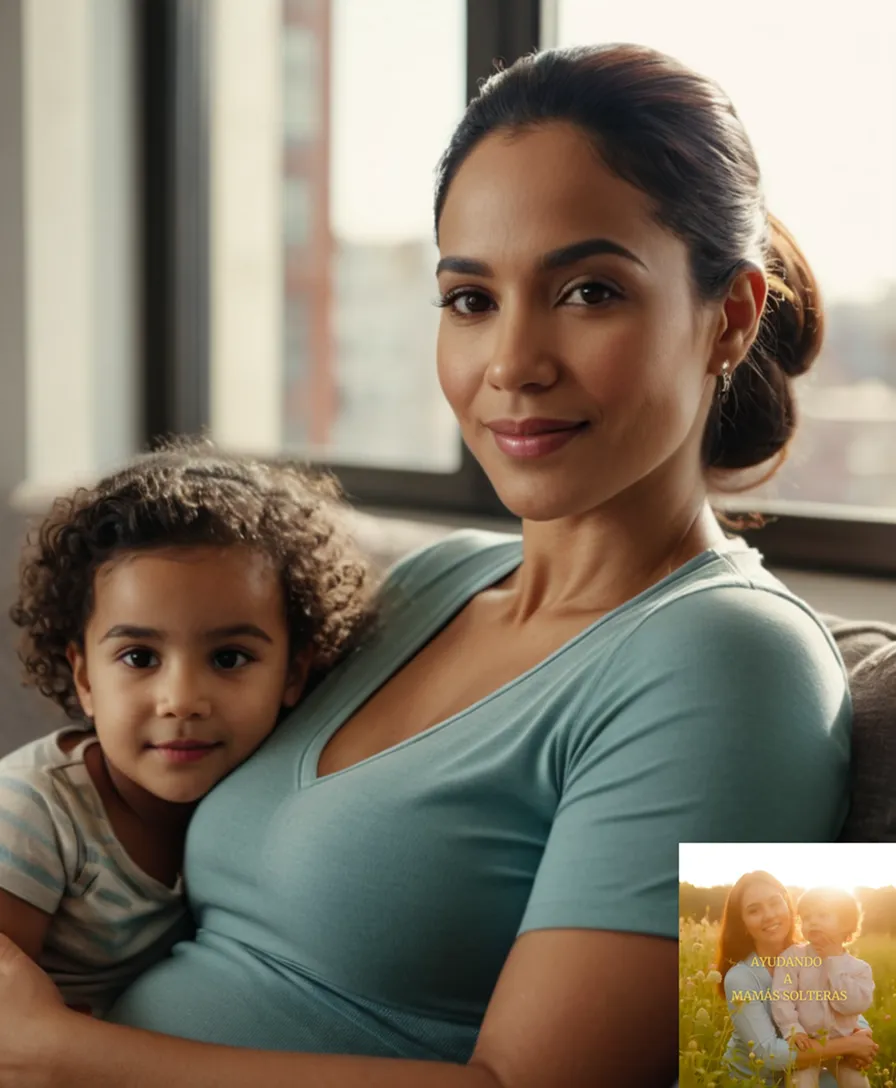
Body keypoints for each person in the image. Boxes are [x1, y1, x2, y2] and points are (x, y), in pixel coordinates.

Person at [0, 41, 857, 1088]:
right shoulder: (429, 584)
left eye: (588, 290)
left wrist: (56, 1048)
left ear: (727, 317)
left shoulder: (742, 663)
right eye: (469, 298)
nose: (511, 363)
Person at [0, 437, 374, 1016]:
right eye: (139, 658)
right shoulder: (31, 812)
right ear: (85, 679)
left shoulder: (273, 793)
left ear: (293, 674)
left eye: (228, 658)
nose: (181, 701)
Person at [718, 873, 878, 1085]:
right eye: (754, 910)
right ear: (743, 923)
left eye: (775, 903)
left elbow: (838, 1002)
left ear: (788, 906)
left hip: (810, 1063)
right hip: (757, 1080)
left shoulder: (814, 953)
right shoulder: (740, 978)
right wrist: (850, 1045)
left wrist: (862, 1032)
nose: (768, 915)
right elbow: (768, 1054)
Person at [770, 887, 874, 1087]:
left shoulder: (859, 969)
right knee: (801, 1082)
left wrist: (833, 961)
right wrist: (793, 1030)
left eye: (823, 915)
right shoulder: (792, 958)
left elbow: (851, 1006)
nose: (813, 922)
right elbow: (782, 997)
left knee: (857, 1082)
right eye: (807, 917)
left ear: (846, 925)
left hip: (844, 1049)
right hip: (808, 1044)